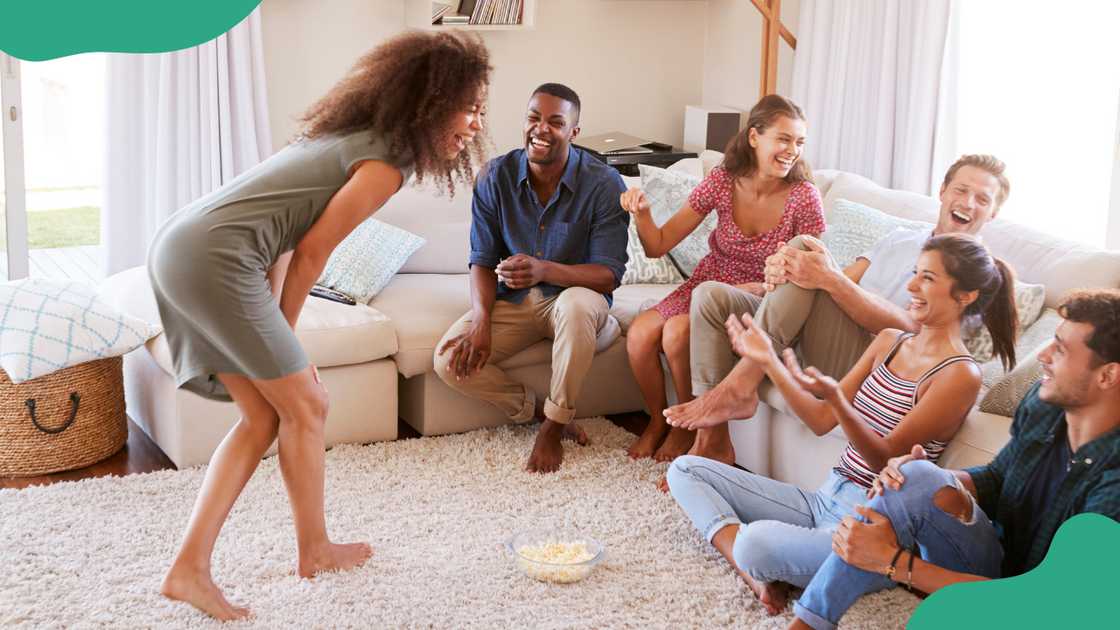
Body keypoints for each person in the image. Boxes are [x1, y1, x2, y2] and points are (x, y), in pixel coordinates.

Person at [151, 31, 492, 620]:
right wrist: (286, 341)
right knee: (306, 404)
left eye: (481, 108)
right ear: (433, 103)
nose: (476, 121)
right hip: (214, 257)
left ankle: (192, 569)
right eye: (469, 106)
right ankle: (312, 550)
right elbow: (311, 251)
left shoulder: (348, 137)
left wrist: (278, 346)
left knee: (267, 415)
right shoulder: (385, 161)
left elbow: (284, 236)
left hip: (188, 247)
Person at [668, 233, 1017, 616]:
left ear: (965, 296)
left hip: (874, 526)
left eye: (928, 279)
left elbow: (886, 456)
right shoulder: (889, 341)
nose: (912, 286)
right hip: (826, 494)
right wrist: (768, 361)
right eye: (915, 273)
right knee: (685, 470)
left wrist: (836, 398)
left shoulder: (960, 374)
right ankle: (756, 575)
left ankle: (763, 561)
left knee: (755, 543)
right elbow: (820, 420)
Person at [791, 288, 1120, 630]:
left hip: (1051, 611)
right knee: (914, 477)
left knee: (939, 616)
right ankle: (807, 624)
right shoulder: (1044, 406)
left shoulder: (1113, 490)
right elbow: (995, 480)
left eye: (1062, 350)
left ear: (1108, 375)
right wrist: (926, 482)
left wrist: (892, 562)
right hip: (1000, 561)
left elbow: (1050, 605)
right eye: (1052, 341)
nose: (1043, 355)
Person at [665, 155, 1012, 470]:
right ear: (942, 191)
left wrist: (822, 275)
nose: (968, 203)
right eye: (961, 190)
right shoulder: (901, 237)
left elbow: (914, 329)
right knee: (711, 296)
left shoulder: (977, 276)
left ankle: (740, 386)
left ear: (994, 212)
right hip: (817, 332)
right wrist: (772, 283)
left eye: (982, 199)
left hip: (870, 363)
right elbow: (841, 280)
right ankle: (714, 441)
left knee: (806, 250)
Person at [433, 83, 629, 474]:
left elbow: (607, 275)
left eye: (556, 122)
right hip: (516, 301)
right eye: (534, 118)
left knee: (574, 307)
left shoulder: (604, 184)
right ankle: (537, 410)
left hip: (577, 298)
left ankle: (554, 429)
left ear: (574, 132)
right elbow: (482, 260)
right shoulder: (495, 177)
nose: (541, 129)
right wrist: (482, 320)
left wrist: (544, 270)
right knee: (449, 361)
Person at [619, 95, 825, 462]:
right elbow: (658, 245)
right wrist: (644, 214)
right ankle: (656, 421)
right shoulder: (723, 180)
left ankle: (692, 429)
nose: (792, 150)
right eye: (784, 139)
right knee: (638, 336)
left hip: (764, 297)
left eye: (799, 142)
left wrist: (758, 287)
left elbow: (808, 279)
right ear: (754, 137)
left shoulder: (804, 198)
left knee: (676, 333)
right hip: (710, 279)